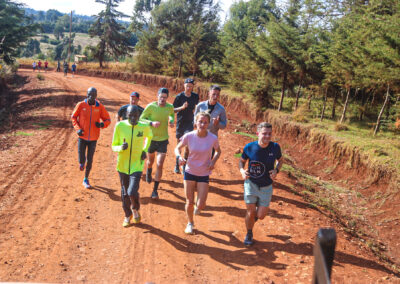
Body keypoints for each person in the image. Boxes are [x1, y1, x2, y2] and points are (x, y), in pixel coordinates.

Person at [175, 111, 221, 234]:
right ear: (196, 122)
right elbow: (177, 148)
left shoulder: (213, 138)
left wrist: (213, 161)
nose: (202, 124)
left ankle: (198, 208)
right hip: (189, 171)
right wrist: (179, 157)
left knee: (201, 205)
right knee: (189, 201)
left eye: (205, 122)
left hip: (204, 173)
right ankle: (190, 223)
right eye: (200, 121)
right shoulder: (189, 136)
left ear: (208, 124)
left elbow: (218, 151)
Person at [239, 122, 283, 246]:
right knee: (251, 212)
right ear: (258, 133)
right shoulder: (249, 147)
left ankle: (254, 218)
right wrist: (242, 171)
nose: (267, 136)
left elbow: (280, 160)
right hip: (251, 184)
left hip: (266, 186)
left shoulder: (275, 147)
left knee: (261, 215)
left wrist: (276, 170)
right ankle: (249, 233)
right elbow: (241, 162)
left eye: (269, 134)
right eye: (264, 133)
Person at [112, 105, 153, 227]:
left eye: (135, 116)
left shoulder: (143, 126)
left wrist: (144, 150)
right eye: (130, 116)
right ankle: (127, 215)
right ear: (126, 116)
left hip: (137, 164)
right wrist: (120, 147)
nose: (133, 118)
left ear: (139, 116)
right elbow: (113, 145)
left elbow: (150, 137)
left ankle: (135, 208)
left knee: (132, 191)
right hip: (122, 165)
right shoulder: (120, 126)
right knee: (125, 193)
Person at [71, 87, 111, 189]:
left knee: (90, 159)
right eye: (89, 94)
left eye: (93, 95)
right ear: (87, 94)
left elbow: (107, 119)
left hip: (93, 138)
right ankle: (81, 162)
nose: (91, 96)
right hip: (82, 136)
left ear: (96, 96)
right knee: (81, 158)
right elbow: (73, 117)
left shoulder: (99, 106)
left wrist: (102, 125)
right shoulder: (81, 105)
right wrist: (77, 129)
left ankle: (86, 178)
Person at [140, 87, 174, 199]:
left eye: (165, 97)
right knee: (150, 161)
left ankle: (155, 191)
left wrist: (172, 120)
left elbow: (172, 115)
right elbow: (141, 118)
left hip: (163, 140)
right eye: (161, 97)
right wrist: (151, 122)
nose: (163, 99)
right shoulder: (151, 106)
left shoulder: (170, 107)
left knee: (160, 164)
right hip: (151, 139)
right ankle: (149, 171)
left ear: (167, 98)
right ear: (157, 96)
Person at [173, 78, 199, 174]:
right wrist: (182, 107)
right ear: (184, 85)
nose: (188, 88)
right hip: (180, 123)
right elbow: (173, 110)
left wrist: (196, 119)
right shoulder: (179, 97)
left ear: (193, 87)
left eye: (190, 86)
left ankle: (184, 166)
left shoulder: (195, 96)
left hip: (189, 123)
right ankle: (177, 164)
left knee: (188, 145)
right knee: (179, 144)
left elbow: (197, 108)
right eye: (187, 86)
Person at [194, 85, 227, 157]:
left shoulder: (221, 109)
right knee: (195, 157)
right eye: (213, 94)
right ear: (209, 94)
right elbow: (195, 117)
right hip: (199, 136)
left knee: (208, 161)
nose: (215, 96)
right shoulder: (200, 105)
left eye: (217, 95)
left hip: (211, 139)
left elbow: (224, 125)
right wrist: (195, 123)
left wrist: (218, 123)